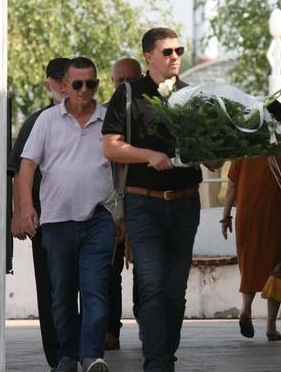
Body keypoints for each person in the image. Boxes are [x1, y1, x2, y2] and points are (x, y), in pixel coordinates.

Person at [102, 27, 202, 372]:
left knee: (174, 289)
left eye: (179, 50)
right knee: (152, 285)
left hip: (186, 203)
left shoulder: (192, 96)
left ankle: (165, 356)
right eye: (167, 51)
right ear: (149, 57)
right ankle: (157, 363)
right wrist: (148, 155)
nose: (175, 57)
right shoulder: (129, 95)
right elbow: (110, 146)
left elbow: (208, 153)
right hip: (144, 204)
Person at [16, 57, 116, 372]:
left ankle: (91, 356)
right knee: (61, 295)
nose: (85, 89)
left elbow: (123, 166)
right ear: (65, 86)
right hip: (56, 223)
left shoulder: (109, 119)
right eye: (78, 84)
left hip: (98, 220)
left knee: (96, 291)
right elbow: (26, 167)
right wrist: (25, 208)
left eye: (91, 83)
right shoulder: (46, 120)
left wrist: (123, 213)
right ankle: (68, 356)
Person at [9, 56, 69, 372]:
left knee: (90, 288)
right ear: (50, 85)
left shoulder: (96, 119)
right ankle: (58, 356)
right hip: (46, 221)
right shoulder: (36, 122)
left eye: (71, 80)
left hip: (88, 219)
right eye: (59, 81)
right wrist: (19, 213)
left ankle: (85, 349)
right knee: (51, 290)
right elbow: (18, 171)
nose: (66, 86)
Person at [221, 139, 281, 341]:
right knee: (277, 270)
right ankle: (271, 327)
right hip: (275, 217)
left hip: (247, 217)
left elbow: (231, 185)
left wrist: (226, 216)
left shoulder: (245, 150)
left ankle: (245, 310)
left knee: (249, 264)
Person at [105, 57, 143, 351]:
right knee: (108, 272)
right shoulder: (102, 116)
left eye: (132, 80)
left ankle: (148, 326)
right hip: (110, 207)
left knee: (147, 271)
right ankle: (109, 331)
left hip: (145, 203)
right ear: (112, 83)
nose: (126, 86)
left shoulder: (152, 112)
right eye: (121, 81)